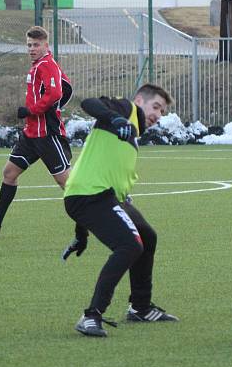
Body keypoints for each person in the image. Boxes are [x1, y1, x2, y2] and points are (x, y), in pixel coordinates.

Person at [61, 84, 177, 337]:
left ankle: (141, 308)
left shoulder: (132, 133)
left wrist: (82, 233)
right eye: (155, 106)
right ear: (139, 100)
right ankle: (91, 315)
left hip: (100, 196)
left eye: (162, 111)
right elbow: (89, 102)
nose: (158, 115)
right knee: (130, 245)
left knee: (147, 236)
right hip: (91, 195)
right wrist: (115, 117)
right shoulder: (126, 110)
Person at [0, 26, 72, 237]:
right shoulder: (37, 66)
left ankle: (110, 212)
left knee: (67, 183)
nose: (32, 49)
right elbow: (65, 89)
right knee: (9, 173)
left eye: (36, 45)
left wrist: (31, 110)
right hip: (31, 134)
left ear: (46, 45)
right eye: (29, 45)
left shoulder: (47, 65)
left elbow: (56, 93)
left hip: (47, 135)